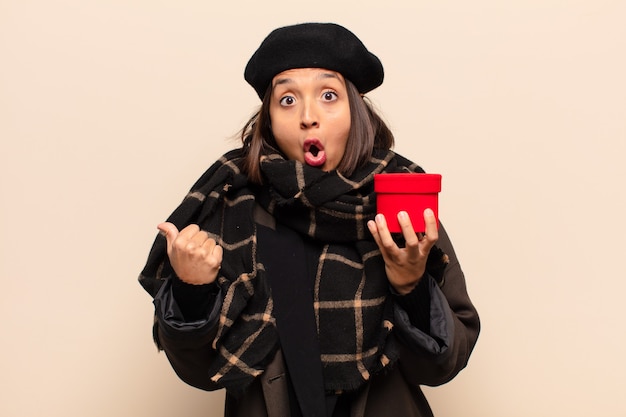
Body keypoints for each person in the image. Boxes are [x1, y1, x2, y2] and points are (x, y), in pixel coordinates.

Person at [139, 22, 480, 417]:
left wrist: (412, 288)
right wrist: (191, 290)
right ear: (267, 118)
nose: (307, 116)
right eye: (287, 100)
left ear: (356, 111)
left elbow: (443, 365)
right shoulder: (232, 205)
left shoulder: (400, 200)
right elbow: (199, 373)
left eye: (329, 95)